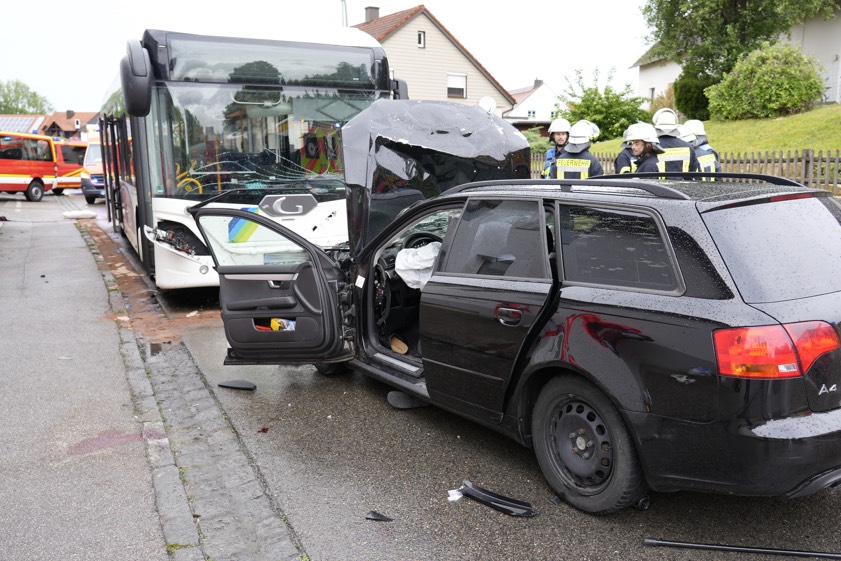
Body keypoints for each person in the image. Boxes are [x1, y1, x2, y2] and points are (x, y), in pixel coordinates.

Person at [652, 108, 700, 173]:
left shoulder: (653, 147)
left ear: (656, 128)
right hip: (684, 180)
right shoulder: (689, 147)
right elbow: (694, 170)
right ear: (676, 127)